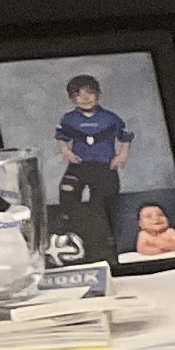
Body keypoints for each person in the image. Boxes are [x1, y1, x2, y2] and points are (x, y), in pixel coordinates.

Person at [51, 74, 130, 246]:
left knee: (103, 201)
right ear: (72, 98)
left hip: (103, 166)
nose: (85, 98)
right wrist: (66, 152)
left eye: (89, 93)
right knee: (67, 191)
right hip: (79, 165)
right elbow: (61, 137)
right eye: (78, 94)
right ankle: (70, 229)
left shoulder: (110, 118)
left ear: (98, 95)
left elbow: (125, 137)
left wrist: (122, 155)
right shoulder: (69, 119)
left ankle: (105, 237)